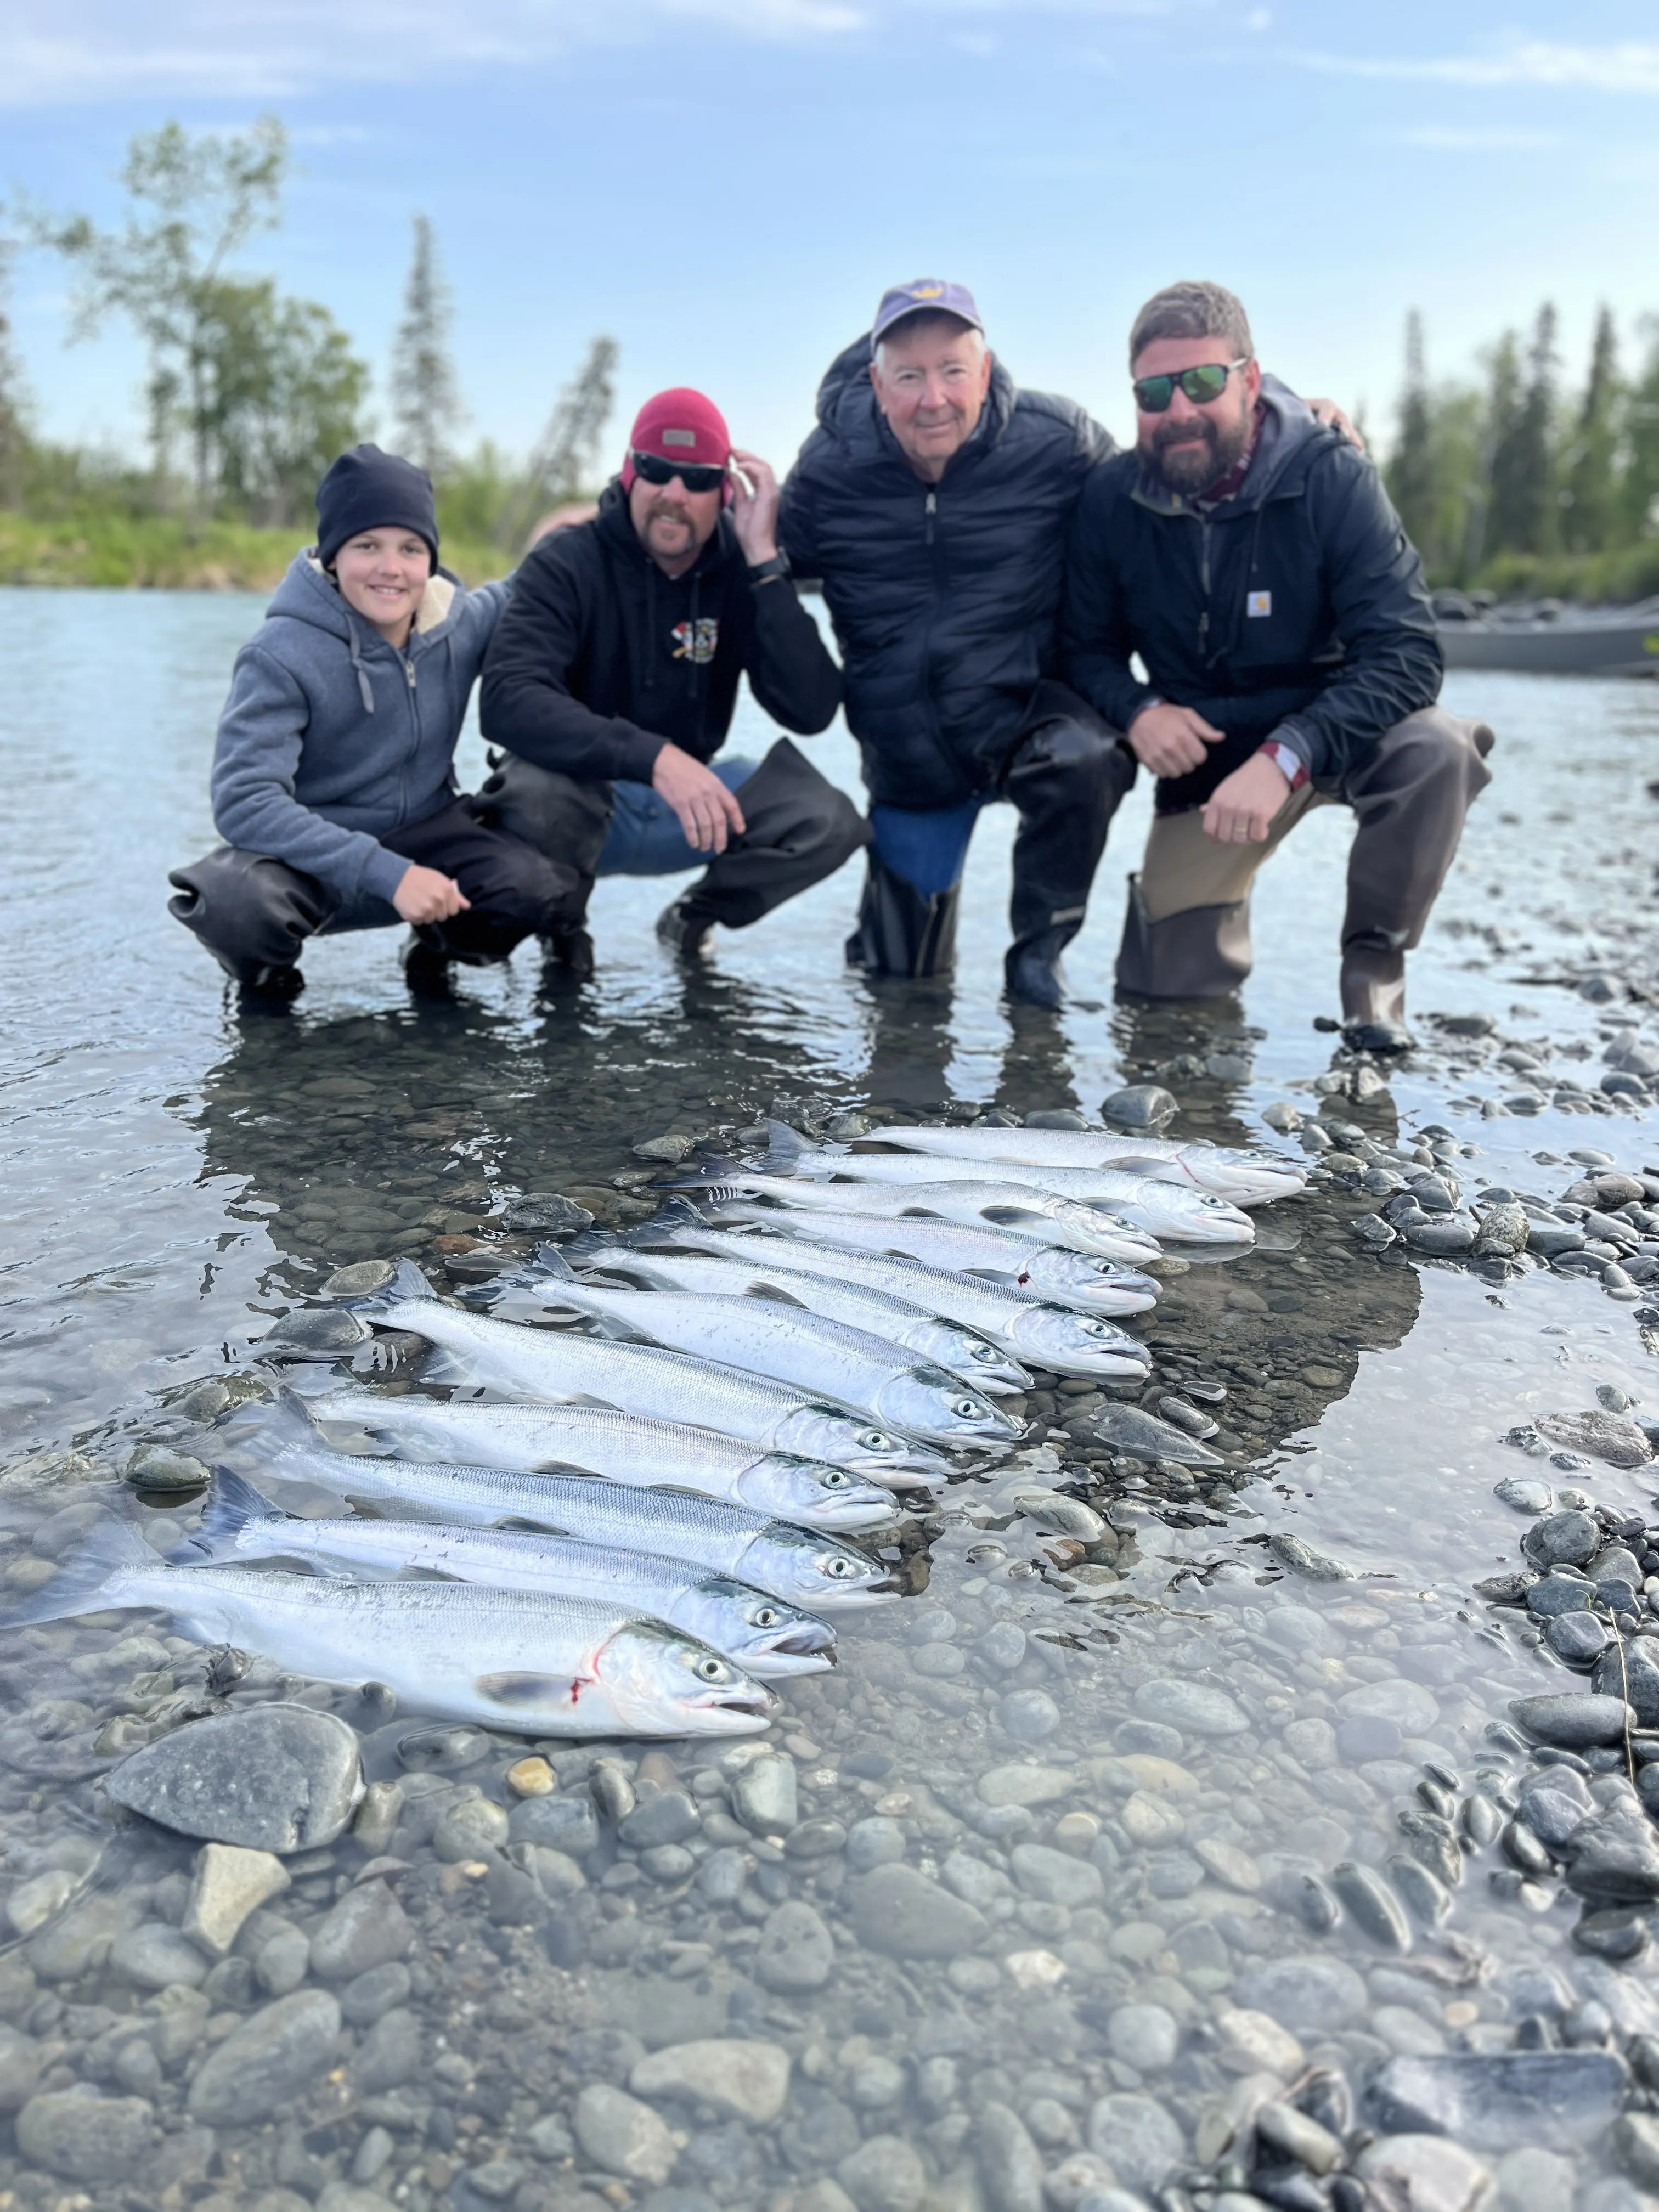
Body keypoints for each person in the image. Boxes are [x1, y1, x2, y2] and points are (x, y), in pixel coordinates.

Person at [1064, 279, 1494, 1052]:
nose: (1179, 410)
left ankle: (1375, 973)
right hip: (1208, 757)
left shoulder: (1332, 475)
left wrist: (1289, 753)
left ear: (1251, 381)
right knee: (1163, 1009)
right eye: (1154, 392)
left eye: (1202, 382)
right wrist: (1136, 711)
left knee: (1439, 749)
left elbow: (1407, 654)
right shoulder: (1108, 498)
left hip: (1338, 733)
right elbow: (1082, 650)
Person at [780, 279, 1130, 1008]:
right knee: (901, 992)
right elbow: (740, 561)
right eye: (909, 376)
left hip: (1026, 717)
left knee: (1088, 755)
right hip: (910, 759)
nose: (932, 398)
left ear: (986, 367)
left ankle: (1040, 950)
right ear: (878, 384)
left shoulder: (1058, 441)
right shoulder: (825, 472)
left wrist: (1284, 410)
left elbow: (1167, 480)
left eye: (952, 371)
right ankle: (883, 917)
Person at [168, 444, 579, 1002]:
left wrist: (607, 518)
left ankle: (435, 947)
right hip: (314, 858)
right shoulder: (279, 653)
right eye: (367, 546)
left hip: (429, 835)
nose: (391, 568)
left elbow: (528, 584)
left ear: (430, 561)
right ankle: (269, 989)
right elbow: (243, 800)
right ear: (333, 556)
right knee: (235, 903)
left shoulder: (456, 625)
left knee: (530, 888)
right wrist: (386, 873)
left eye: (411, 548)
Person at [476, 388, 862, 972]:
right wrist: (654, 758)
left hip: (688, 807)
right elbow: (506, 699)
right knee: (535, 796)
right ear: (631, 473)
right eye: (657, 470)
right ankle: (555, 921)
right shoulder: (565, 561)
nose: (674, 494)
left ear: (724, 492)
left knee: (825, 818)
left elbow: (811, 710)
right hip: (576, 799)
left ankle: (692, 918)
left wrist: (765, 562)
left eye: (698, 479)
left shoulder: (739, 567)